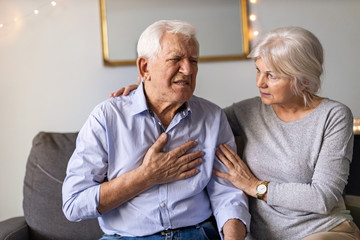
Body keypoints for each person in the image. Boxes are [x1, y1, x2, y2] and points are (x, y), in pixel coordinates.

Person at [113, 26, 360, 240]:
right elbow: (194, 118)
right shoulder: (247, 111)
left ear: (303, 79)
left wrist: (256, 187)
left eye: (271, 75)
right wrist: (150, 92)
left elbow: (323, 197)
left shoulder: (334, 115)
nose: (259, 82)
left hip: (323, 230)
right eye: (258, 70)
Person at [62, 20, 250, 240]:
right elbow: (74, 204)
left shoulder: (213, 117)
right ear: (144, 68)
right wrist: (146, 176)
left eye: (193, 60)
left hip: (197, 234)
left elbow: (227, 194)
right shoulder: (107, 117)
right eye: (176, 59)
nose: (188, 70)